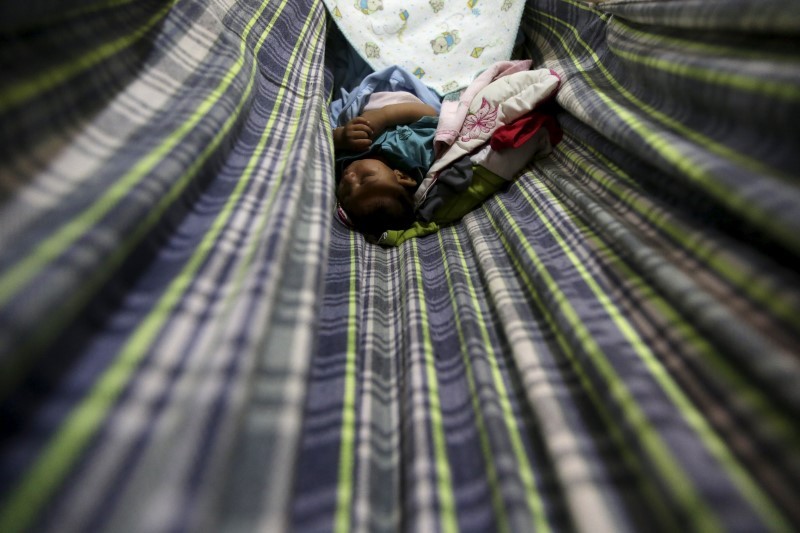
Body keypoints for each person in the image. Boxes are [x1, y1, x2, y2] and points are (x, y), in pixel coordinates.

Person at [333, 95, 438, 238]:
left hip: (358, 97)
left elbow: (324, 138)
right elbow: (430, 114)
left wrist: (340, 138)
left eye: (346, 194)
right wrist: (384, 116)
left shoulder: (342, 161)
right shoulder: (415, 151)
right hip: (400, 96)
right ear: (402, 176)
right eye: (366, 179)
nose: (349, 178)